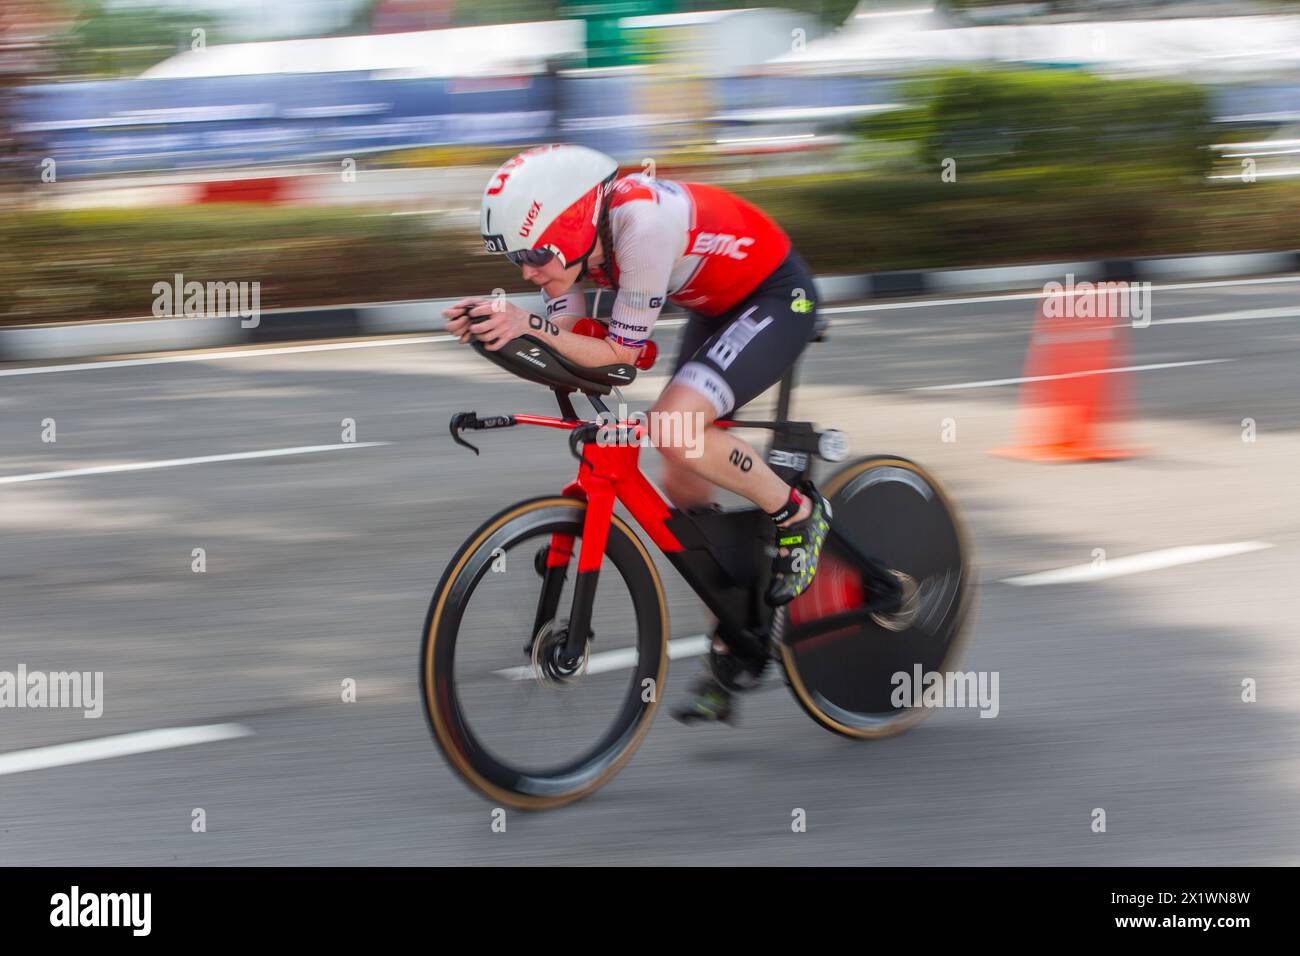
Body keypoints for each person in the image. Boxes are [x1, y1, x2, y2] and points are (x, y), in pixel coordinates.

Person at [444, 143, 830, 724]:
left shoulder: (640, 225)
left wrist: (528, 325)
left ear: (572, 224)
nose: (527, 272)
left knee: (675, 428)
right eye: (516, 261)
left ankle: (796, 511)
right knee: (685, 476)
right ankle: (737, 628)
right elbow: (569, 339)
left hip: (774, 296)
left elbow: (620, 360)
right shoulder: (571, 248)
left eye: (534, 255)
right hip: (715, 305)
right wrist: (494, 331)